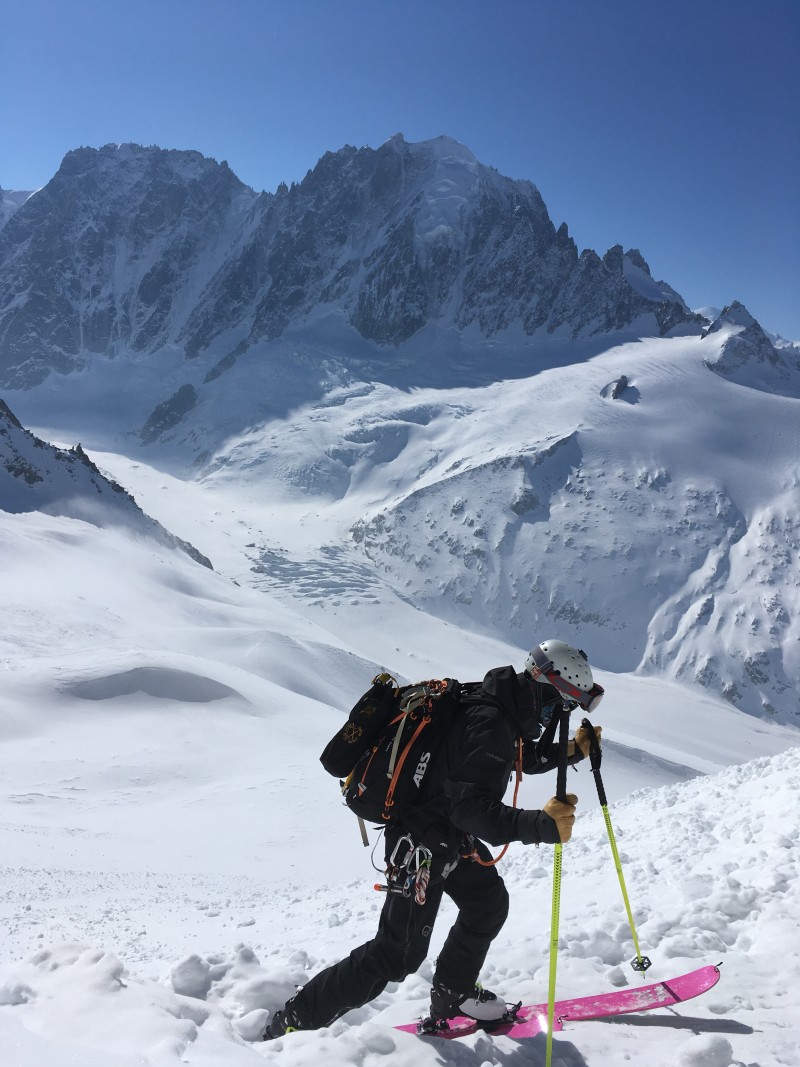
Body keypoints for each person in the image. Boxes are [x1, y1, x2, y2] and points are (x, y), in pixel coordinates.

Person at [264, 638, 604, 1038]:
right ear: (545, 686)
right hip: (420, 844)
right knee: (396, 954)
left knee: (487, 903)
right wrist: (540, 825)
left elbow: (513, 756)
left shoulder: (497, 700)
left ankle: (453, 993)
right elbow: (472, 810)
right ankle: (296, 1019)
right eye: (556, 706)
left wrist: (571, 752)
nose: (551, 716)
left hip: (443, 832)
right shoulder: (491, 719)